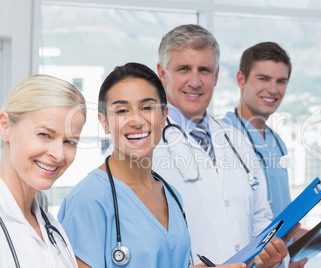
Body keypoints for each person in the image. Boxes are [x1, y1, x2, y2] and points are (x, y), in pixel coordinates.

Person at [58, 62, 246, 268]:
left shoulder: (170, 194)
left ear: (164, 116)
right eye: (122, 110)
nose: (136, 121)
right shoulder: (89, 199)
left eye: (147, 108)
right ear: (104, 123)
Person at [153, 24, 296, 268]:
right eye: (184, 69)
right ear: (163, 74)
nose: (195, 81)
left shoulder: (236, 140)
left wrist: (271, 258)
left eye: (205, 70)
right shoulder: (149, 146)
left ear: (217, 76)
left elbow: (261, 218)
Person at [221, 42, 321, 267]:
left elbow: (281, 224)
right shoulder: (222, 139)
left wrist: (319, 240)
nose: (273, 89)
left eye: (281, 81)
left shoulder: (277, 142)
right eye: (263, 79)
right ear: (241, 80)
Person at [0, 74, 86, 268]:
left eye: (69, 141)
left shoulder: (54, 229)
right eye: (45, 134)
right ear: (5, 126)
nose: (59, 154)